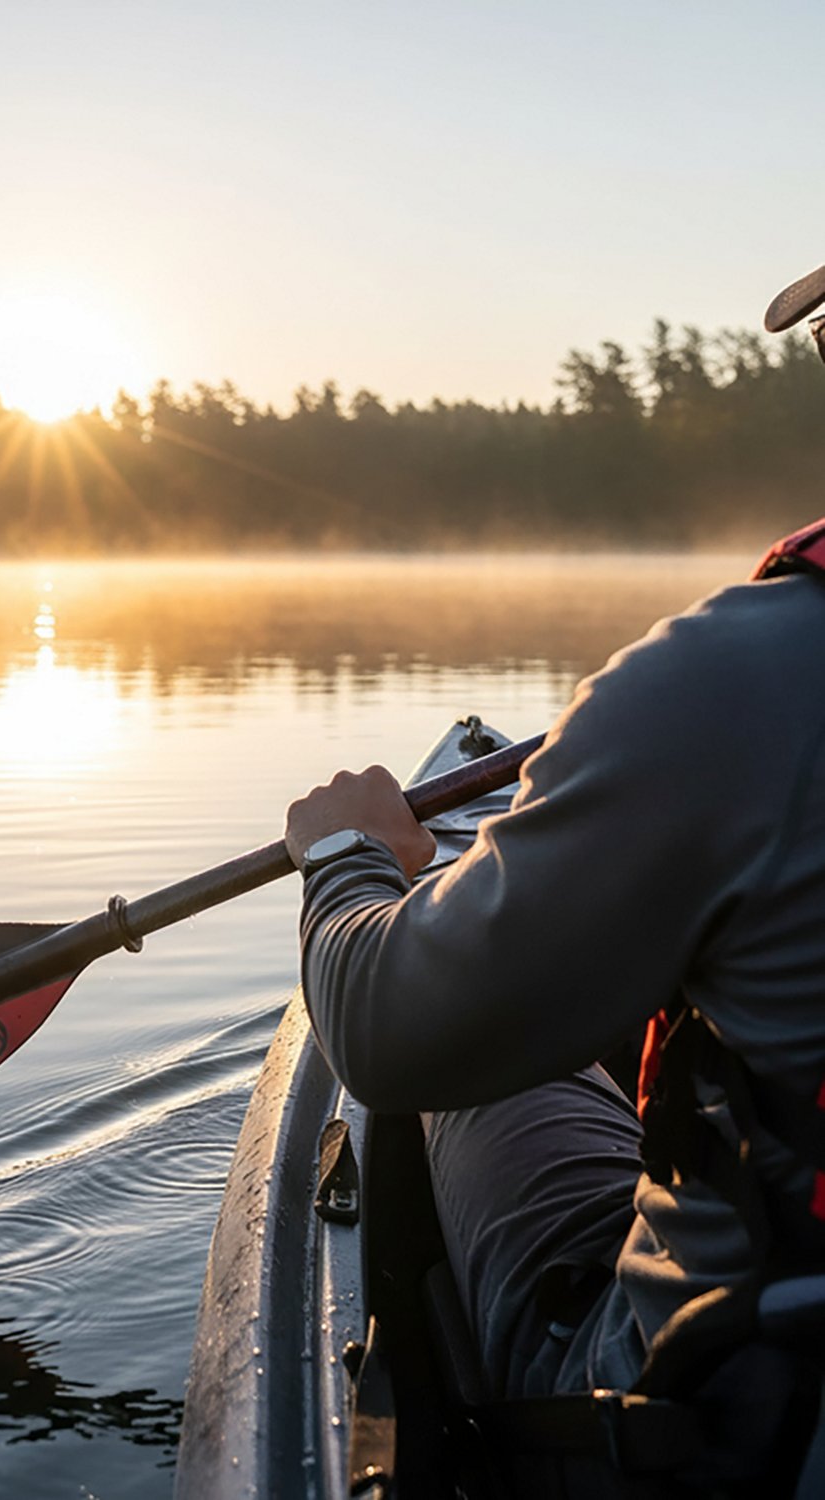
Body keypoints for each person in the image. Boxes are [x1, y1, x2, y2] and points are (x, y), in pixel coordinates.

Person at [283, 264, 825, 1488]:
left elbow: (384, 1034)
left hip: (730, 1421)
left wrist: (349, 863)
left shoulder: (732, 682)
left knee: (468, 1063)